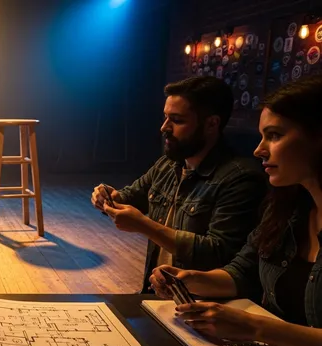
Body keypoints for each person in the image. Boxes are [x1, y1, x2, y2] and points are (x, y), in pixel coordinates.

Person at [149, 74, 322, 346]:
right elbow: (243, 272)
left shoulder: (240, 177)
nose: (259, 150)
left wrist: (254, 327)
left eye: (275, 135)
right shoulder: (288, 208)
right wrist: (189, 279)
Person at [91, 76, 267, 293]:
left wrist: (144, 225)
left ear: (212, 123)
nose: (164, 127)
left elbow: (219, 252)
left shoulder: (240, 178)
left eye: (177, 120)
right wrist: (108, 197)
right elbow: (131, 195)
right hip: (157, 294)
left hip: (203, 304)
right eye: (165, 117)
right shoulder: (169, 164)